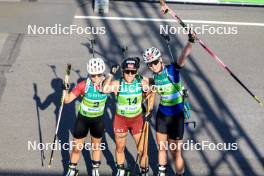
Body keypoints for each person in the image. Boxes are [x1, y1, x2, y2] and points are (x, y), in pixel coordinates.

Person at [142, 33, 195, 176]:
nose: (152, 66)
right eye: (149, 64)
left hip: (177, 117)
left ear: (160, 60)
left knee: (176, 152)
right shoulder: (154, 77)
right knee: (161, 148)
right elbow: (146, 86)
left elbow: (183, 57)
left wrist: (190, 42)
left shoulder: (172, 70)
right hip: (162, 116)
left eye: (154, 62)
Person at [102, 57, 152, 176]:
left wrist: (149, 109)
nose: (130, 74)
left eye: (133, 72)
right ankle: (121, 170)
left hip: (137, 120)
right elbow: (104, 89)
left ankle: (144, 172)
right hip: (121, 120)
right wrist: (110, 74)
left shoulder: (141, 83)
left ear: (137, 72)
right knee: (120, 147)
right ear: (123, 71)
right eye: (127, 72)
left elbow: (152, 92)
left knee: (142, 150)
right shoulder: (117, 84)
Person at [63, 58, 108, 176]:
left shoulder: (108, 84)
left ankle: (95, 170)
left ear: (103, 73)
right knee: (77, 148)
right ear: (89, 74)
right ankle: (72, 170)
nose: (96, 78)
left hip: (97, 121)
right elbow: (67, 100)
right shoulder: (84, 85)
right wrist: (65, 89)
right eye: (93, 76)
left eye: (99, 75)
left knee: (96, 146)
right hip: (83, 120)